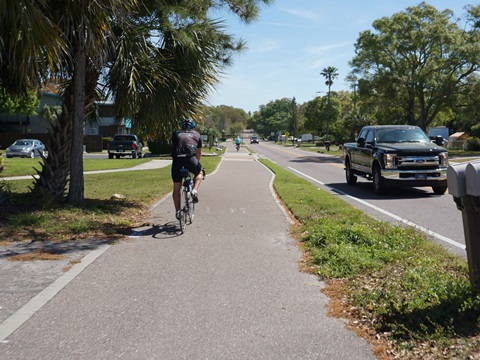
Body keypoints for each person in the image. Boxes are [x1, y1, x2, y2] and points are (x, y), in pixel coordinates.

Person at [171, 119, 203, 220]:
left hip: (177, 160)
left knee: (176, 188)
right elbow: (198, 153)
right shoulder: (197, 134)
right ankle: (194, 190)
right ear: (193, 127)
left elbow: (174, 147)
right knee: (199, 173)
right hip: (190, 159)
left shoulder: (176, 133)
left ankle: (177, 211)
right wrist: (196, 163)